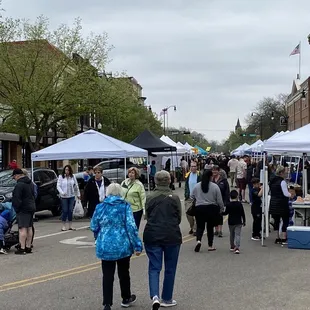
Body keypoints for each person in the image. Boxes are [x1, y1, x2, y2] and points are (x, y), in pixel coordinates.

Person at [90, 183, 143, 310]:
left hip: (106, 245)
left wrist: (98, 236)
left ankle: (107, 303)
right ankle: (126, 297)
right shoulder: (124, 206)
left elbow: (94, 225)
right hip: (122, 244)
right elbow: (131, 227)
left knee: (107, 275)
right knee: (124, 272)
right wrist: (137, 245)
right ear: (120, 192)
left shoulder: (100, 206)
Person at [143, 170, 182, 309]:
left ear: (155, 181)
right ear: (169, 181)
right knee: (170, 268)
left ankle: (154, 295)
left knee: (154, 267)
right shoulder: (175, 197)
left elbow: (146, 215)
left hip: (152, 234)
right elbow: (179, 218)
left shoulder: (150, 197)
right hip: (171, 234)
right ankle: (167, 297)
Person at [192, 169, 224, 252]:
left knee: (200, 227)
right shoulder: (215, 186)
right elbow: (219, 200)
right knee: (210, 228)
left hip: (199, 208)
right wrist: (221, 208)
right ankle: (210, 245)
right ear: (210, 177)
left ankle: (198, 240)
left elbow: (192, 196)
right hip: (211, 208)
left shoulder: (197, 186)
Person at [11, 168, 36, 255]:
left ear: (17, 175)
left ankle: (22, 248)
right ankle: (28, 246)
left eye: (14, 177)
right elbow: (34, 195)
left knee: (22, 228)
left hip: (23, 209)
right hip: (31, 207)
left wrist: (17, 209)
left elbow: (16, 199)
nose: (15, 179)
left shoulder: (19, 185)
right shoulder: (30, 183)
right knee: (29, 227)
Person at [269, 166, 291, 245]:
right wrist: (290, 194)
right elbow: (285, 194)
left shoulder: (272, 181)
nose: (286, 173)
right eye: (285, 172)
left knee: (276, 221)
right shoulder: (282, 182)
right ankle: (284, 237)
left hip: (273, 202)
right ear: (281, 173)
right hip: (282, 203)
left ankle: (277, 237)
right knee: (285, 219)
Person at [57, 165, 80, 231]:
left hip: (71, 196)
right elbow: (58, 186)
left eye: (68, 170)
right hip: (64, 196)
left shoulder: (72, 177)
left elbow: (76, 185)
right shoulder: (61, 177)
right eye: (66, 170)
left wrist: (78, 194)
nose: (67, 171)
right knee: (65, 210)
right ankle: (63, 225)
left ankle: (70, 225)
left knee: (70, 210)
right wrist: (62, 192)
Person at [222, 190, 246, 254]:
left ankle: (232, 246)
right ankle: (237, 247)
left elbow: (226, 213)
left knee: (232, 234)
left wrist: (220, 212)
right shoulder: (239, 204)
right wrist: (244, 220)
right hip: (238, 221)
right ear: (237, 196)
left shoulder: (228, 204)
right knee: (238, 234)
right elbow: (242, 213)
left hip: (231, 222)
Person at [211, 165, 230, 238]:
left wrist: (226, 202)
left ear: (219, 171)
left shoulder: (224, 180)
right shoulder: (211, 180)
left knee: (220, 215)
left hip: (221, 200)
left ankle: (220, 231)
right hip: (212, 201)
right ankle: (216, 230)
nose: (214, 172)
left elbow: (227, 192)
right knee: (214, 216)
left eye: (216, 170)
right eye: (213, 170)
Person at [184, 161, 201, 235]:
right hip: (189, 198)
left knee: (197, 215)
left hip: (198, 198)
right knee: (188, 214)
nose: (193, 168)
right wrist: (186, 194)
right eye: (192, 166)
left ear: (197, 167)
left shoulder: (199, 175)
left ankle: (195, 229)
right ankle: (192, 226)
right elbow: (186, 186)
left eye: (194, 166)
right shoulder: (188, 175)